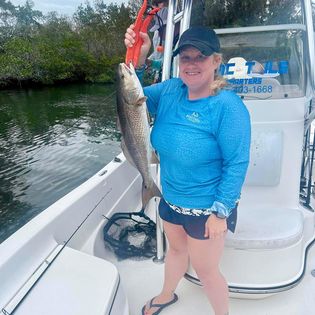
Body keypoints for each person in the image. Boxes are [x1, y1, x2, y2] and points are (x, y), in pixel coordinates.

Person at [124, 24, 251, 315]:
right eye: (186, 58)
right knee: (177, 251)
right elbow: (132, 100)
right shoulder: (170, 90)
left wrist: (221, 212)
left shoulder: (227, 107)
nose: (191, 64)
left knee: (207, 272)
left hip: (208, 209)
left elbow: (237, 163)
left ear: (216, 61)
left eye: (200, 57)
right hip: (171, 198)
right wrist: (139, 59)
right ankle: (167, 294)